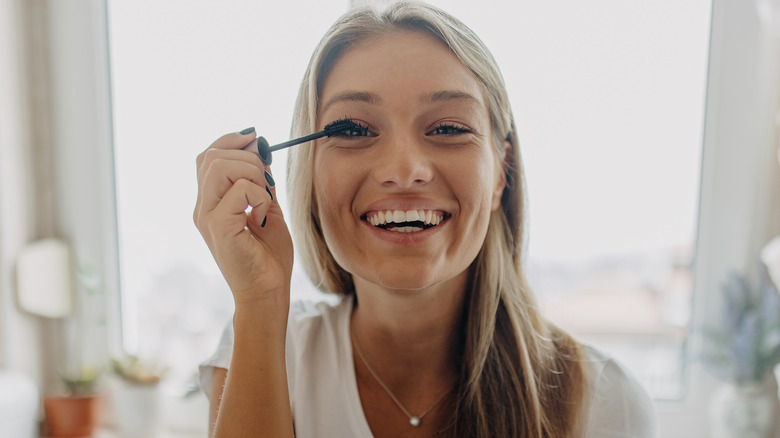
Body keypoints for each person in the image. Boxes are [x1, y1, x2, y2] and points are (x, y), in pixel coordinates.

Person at [194, 2, 658, 437]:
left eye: (449, 128)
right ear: (309, 176)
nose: (403, 171)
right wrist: (259, 300)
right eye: (353, 129)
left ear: (501, 172)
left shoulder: (604, 402)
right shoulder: (262, 354)